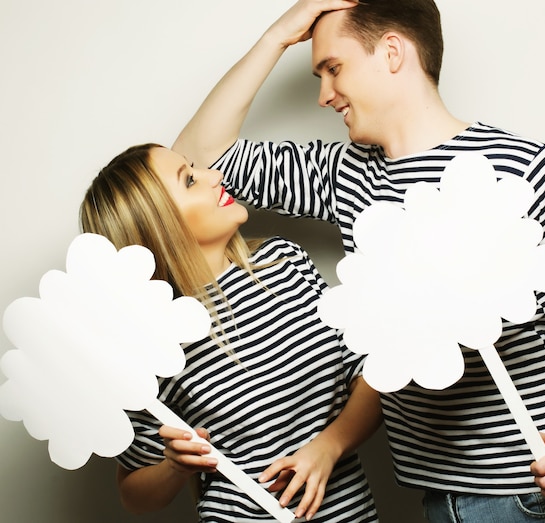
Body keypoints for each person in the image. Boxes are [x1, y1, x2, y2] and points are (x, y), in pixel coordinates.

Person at [171, 0, 545, 521]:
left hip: (541, 492)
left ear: (391, 52)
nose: (323, 96)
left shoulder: (528, 167)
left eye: (333, 68)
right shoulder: (346, 177)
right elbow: (194, 160)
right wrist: (278, 34)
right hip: (440, 499)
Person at [79, 143, 381, 522]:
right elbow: (134, 494)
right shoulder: (155, 339)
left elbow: (371, 376)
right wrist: (175, 466)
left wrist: (329, 446)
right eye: (190, 180)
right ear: (158, 224)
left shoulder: (286, 263)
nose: (215, 176)